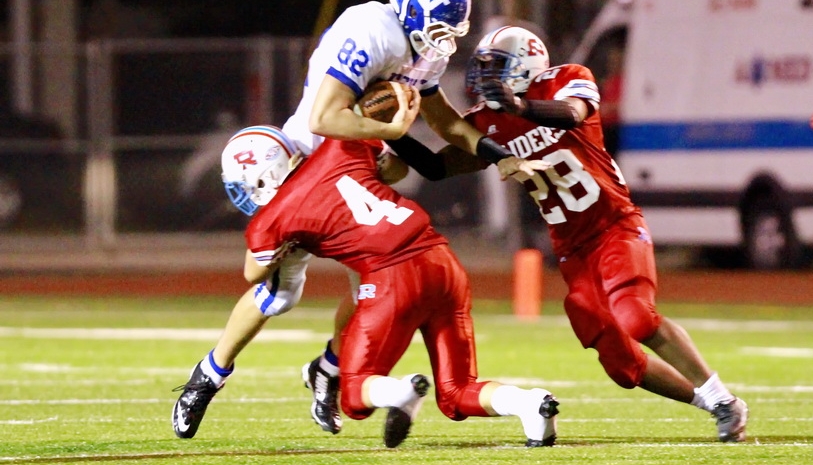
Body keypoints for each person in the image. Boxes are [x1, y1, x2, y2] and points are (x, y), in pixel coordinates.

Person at [171, 0, 549, 438]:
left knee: (370, 283)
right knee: (279, 292)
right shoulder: (372, 30)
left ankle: (328, 369)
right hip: (308, 160)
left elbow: (445, 121)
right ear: (410, 11)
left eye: (452, 34)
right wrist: (390, 129)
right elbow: (326, 118)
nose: (444, 44)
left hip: (361, 154)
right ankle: (206, 378)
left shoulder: (420, 46)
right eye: (437, 30)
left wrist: (500, 158)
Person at [382, 25, 750, 443]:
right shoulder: (488, 122)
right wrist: (388, 131)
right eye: (481, 69)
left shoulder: (565, 79)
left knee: (635, 315)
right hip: (572, 250)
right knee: (622, 367)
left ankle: (720, 398)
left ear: (527, 64)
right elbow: (436, 167)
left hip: (615, 227)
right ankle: (719, 404)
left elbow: (574, 112)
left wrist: (520, 106)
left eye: (495, 68)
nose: (484, 80)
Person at [174, 124, 560, 448]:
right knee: (457, 391)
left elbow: (252, 274)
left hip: (394, 277)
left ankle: (403, 391)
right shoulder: (337, 145)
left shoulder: (271, 219)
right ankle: (531, 405)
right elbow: (389, 166)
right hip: (442, 261)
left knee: (355, 395)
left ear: (262, 175)